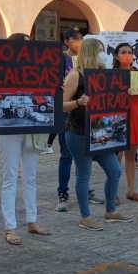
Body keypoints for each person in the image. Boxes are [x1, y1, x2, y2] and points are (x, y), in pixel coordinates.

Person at [64, 37, 133, 230]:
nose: (104, 54)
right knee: (84, 175)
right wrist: (78, 102)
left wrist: (122, 94)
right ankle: (85, 217)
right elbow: (60, 104)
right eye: (100, 50)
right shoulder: (76, 75)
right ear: (91, 52)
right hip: (79, 132)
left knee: (115, 171)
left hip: (102, 132)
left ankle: (110, 211)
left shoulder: (105, 74)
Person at [0, 33, 52, 245]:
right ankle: (10, 227)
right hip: (9, 131)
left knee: (31, 176)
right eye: (27, 47)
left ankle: (32, 221)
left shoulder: (38, 70)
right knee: (10, 177)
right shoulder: (0, 69)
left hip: (31, 127)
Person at [112, 42, 138, 203]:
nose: (127, 55)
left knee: (131, 155)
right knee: (117, 155)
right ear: (116, 56)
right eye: (123, 52)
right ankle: (112, 191)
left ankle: (131, 190)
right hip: (118, 115)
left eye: (130, 52)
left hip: (134, 113)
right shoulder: (112, 74)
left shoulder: (136, 72)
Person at [55, 27, 83, 211]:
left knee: (84, 155)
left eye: (81, 38)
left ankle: (84, 189)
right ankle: (63, 194)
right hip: (66, 111)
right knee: (66, 155)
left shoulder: (87, 60)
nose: (79, 41)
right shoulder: (59, 60)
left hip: (84, 112)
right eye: (74, 38)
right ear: (66, 41)